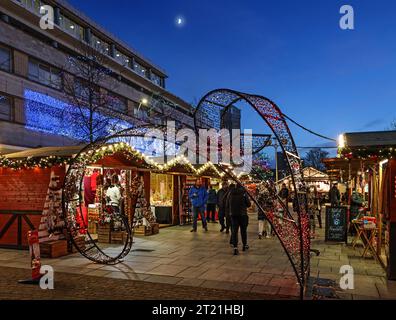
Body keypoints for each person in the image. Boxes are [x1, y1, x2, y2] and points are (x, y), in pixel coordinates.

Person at [228, 184, 251, 255]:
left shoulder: (231, 193)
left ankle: (235, 248)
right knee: (243, 230)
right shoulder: (244, 193)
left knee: (234, 231)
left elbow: (227, 203)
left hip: (233, 214)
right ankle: (244, 245)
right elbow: (248, 204)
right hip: (242, 214)